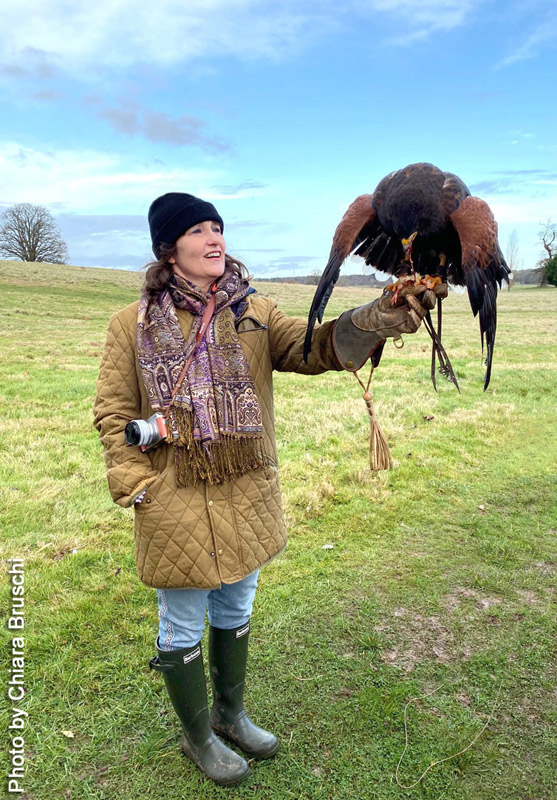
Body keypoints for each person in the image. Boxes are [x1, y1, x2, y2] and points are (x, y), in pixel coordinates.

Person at [93, 192, 440, 787]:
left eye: (218, 227)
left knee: (236, 607)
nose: (214, 238)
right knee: (181, 623)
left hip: (247, 490)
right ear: (167, 249)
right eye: (198, 230)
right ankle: (198, 735)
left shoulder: (253, 310)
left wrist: (381, 313)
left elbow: (316, 347)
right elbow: (113, 412)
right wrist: (137, 484)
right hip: (173, 497)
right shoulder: (130, 326)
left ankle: (231, 716)